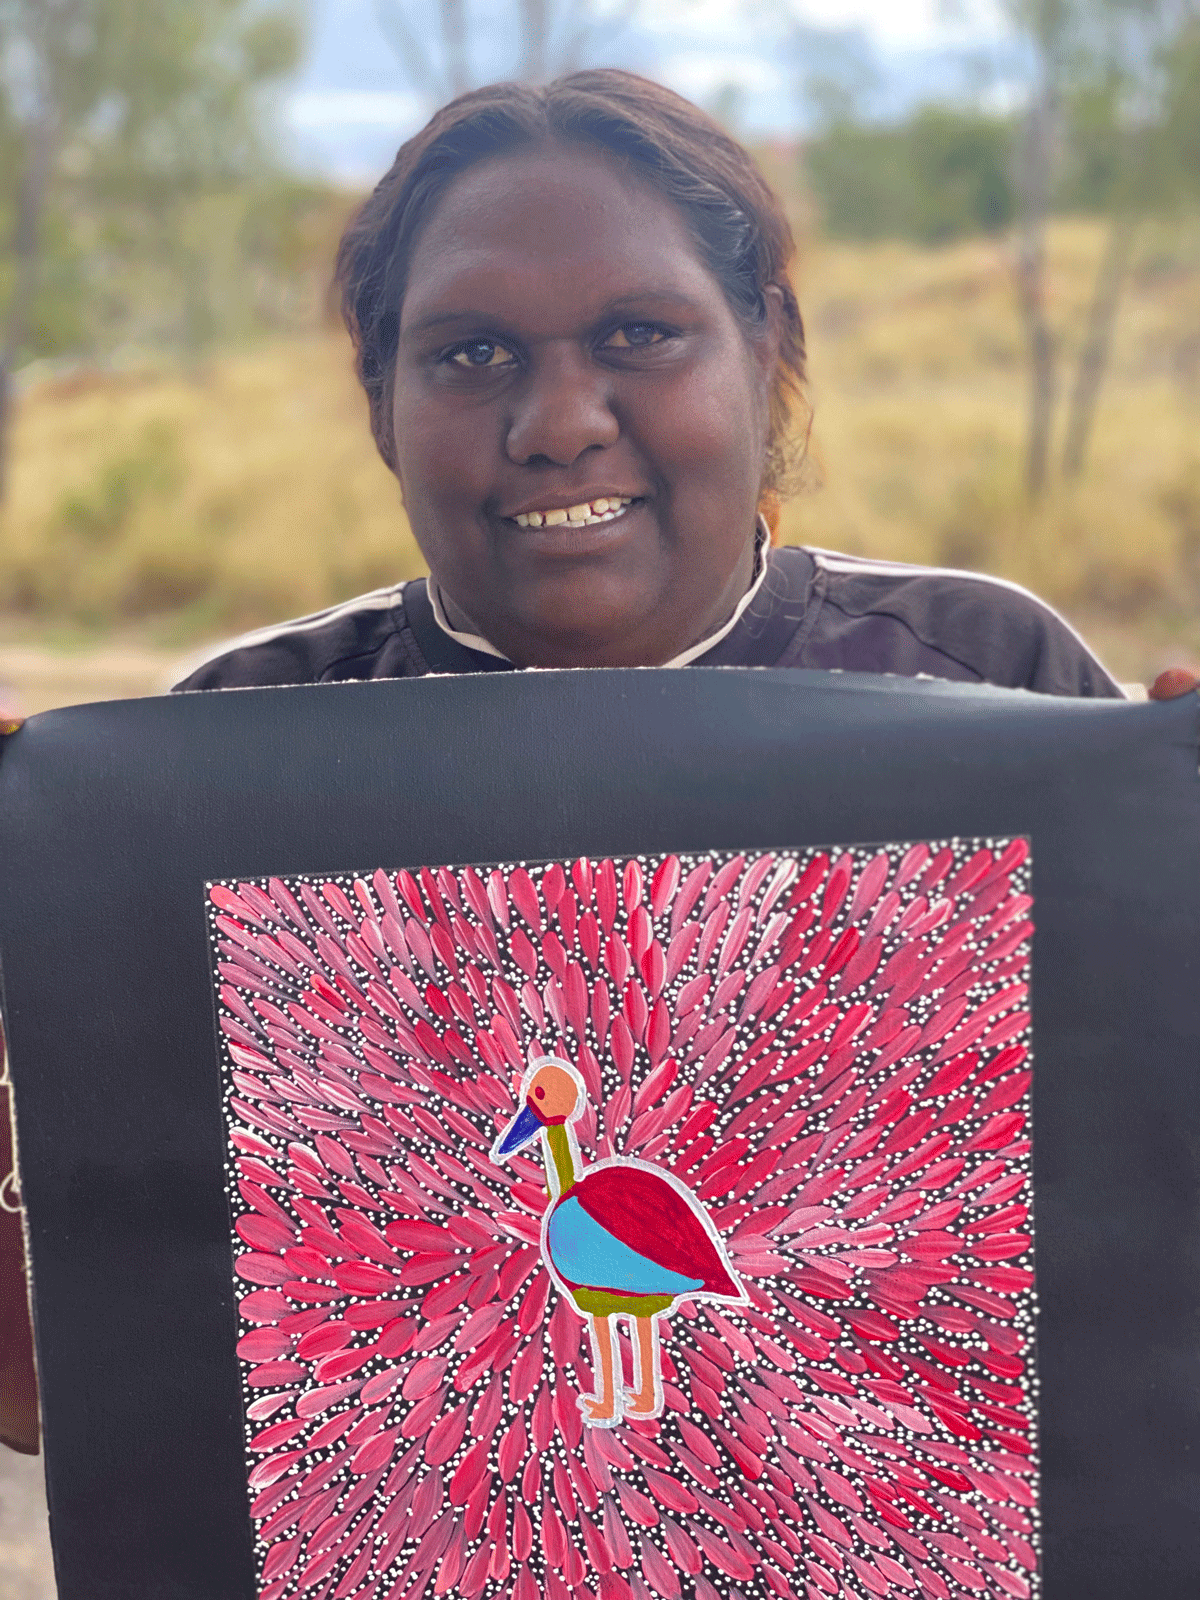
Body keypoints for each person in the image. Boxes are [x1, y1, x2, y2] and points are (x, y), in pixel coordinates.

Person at [0, 69, 1194, 1456]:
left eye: (639, 333)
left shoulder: (987, 690)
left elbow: (1135, 1285)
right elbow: (88, 1390)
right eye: (472, 353)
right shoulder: (238, 764)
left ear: (767, 352)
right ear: (380, 402)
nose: (558, 419)